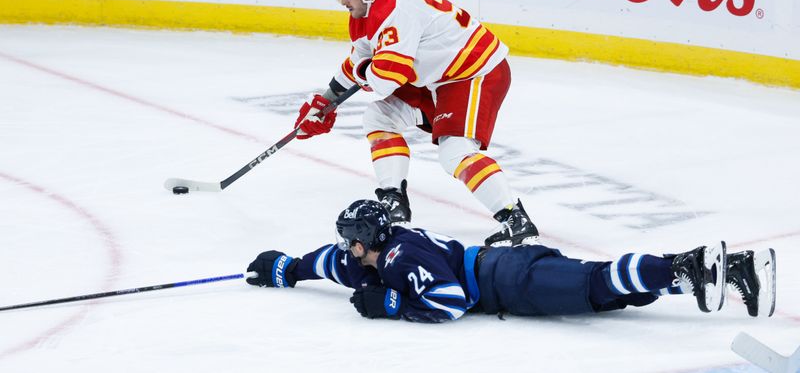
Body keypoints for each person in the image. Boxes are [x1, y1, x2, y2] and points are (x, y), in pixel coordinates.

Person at [293, 0, 538, 247]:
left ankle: (515, 219)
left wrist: (360, 73)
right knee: (379, 117)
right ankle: (394, 201)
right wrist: (325, 102)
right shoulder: (367, 12)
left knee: (455, 152)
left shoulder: (399, 12)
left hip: (474, 74)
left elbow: (385, 80)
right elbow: (360, 60)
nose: (344, 1)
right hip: (436, 80)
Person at [246, 199, 777, 323]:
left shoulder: (402, 259)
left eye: (349, 239)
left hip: (508, 280)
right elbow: (334, 265)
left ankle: (690, 265)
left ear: (369, 238)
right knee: (607, 295)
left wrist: (391, 305)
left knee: (597, 284)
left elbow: (449, 302)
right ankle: (734, 271)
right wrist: (287, 269)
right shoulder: (377, 254)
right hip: (507, 269)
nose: (344, 247)